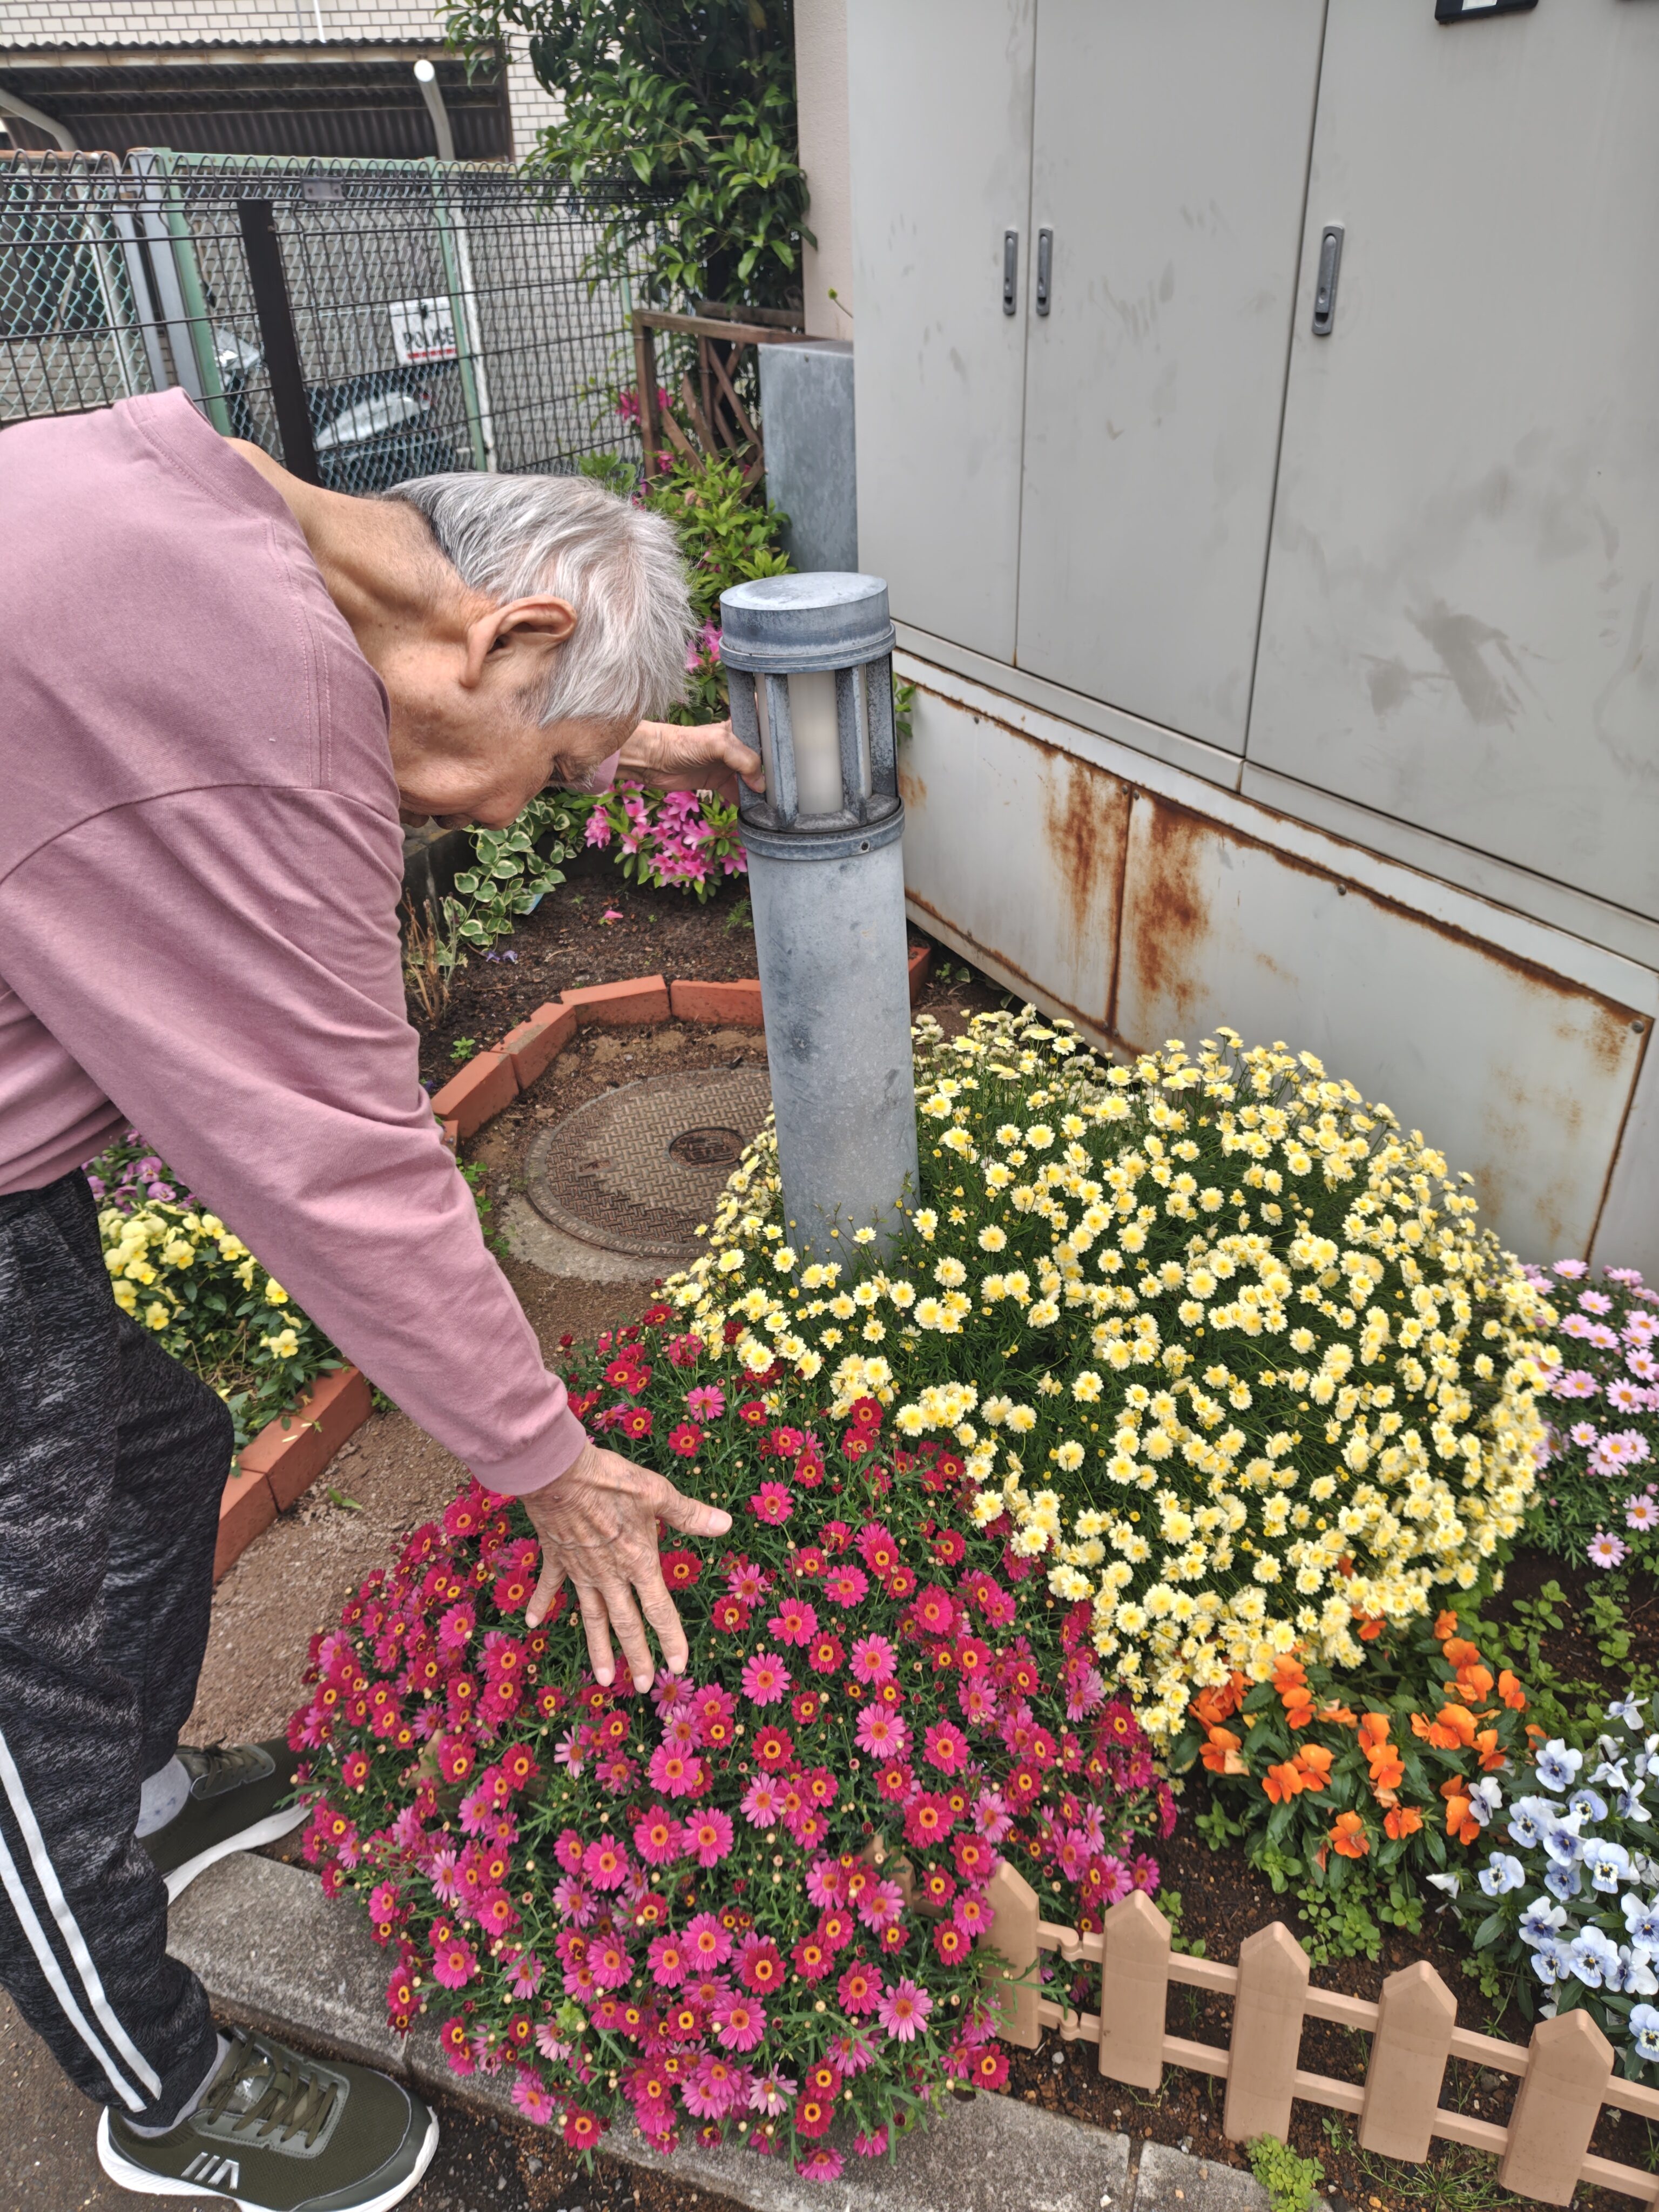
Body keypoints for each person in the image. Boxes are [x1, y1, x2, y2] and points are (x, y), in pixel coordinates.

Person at [0, 387, 761, 2210]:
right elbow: (346, 1170)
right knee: (20, 1656)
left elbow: (449, 688)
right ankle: (160, 2087)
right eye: (556, 772)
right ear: (507, 636)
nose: (546, 811)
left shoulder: (197, 492)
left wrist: (634, 743)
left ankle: (139, 1800)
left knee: (166, 1443)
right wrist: (548, 1463)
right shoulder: (264, 721)